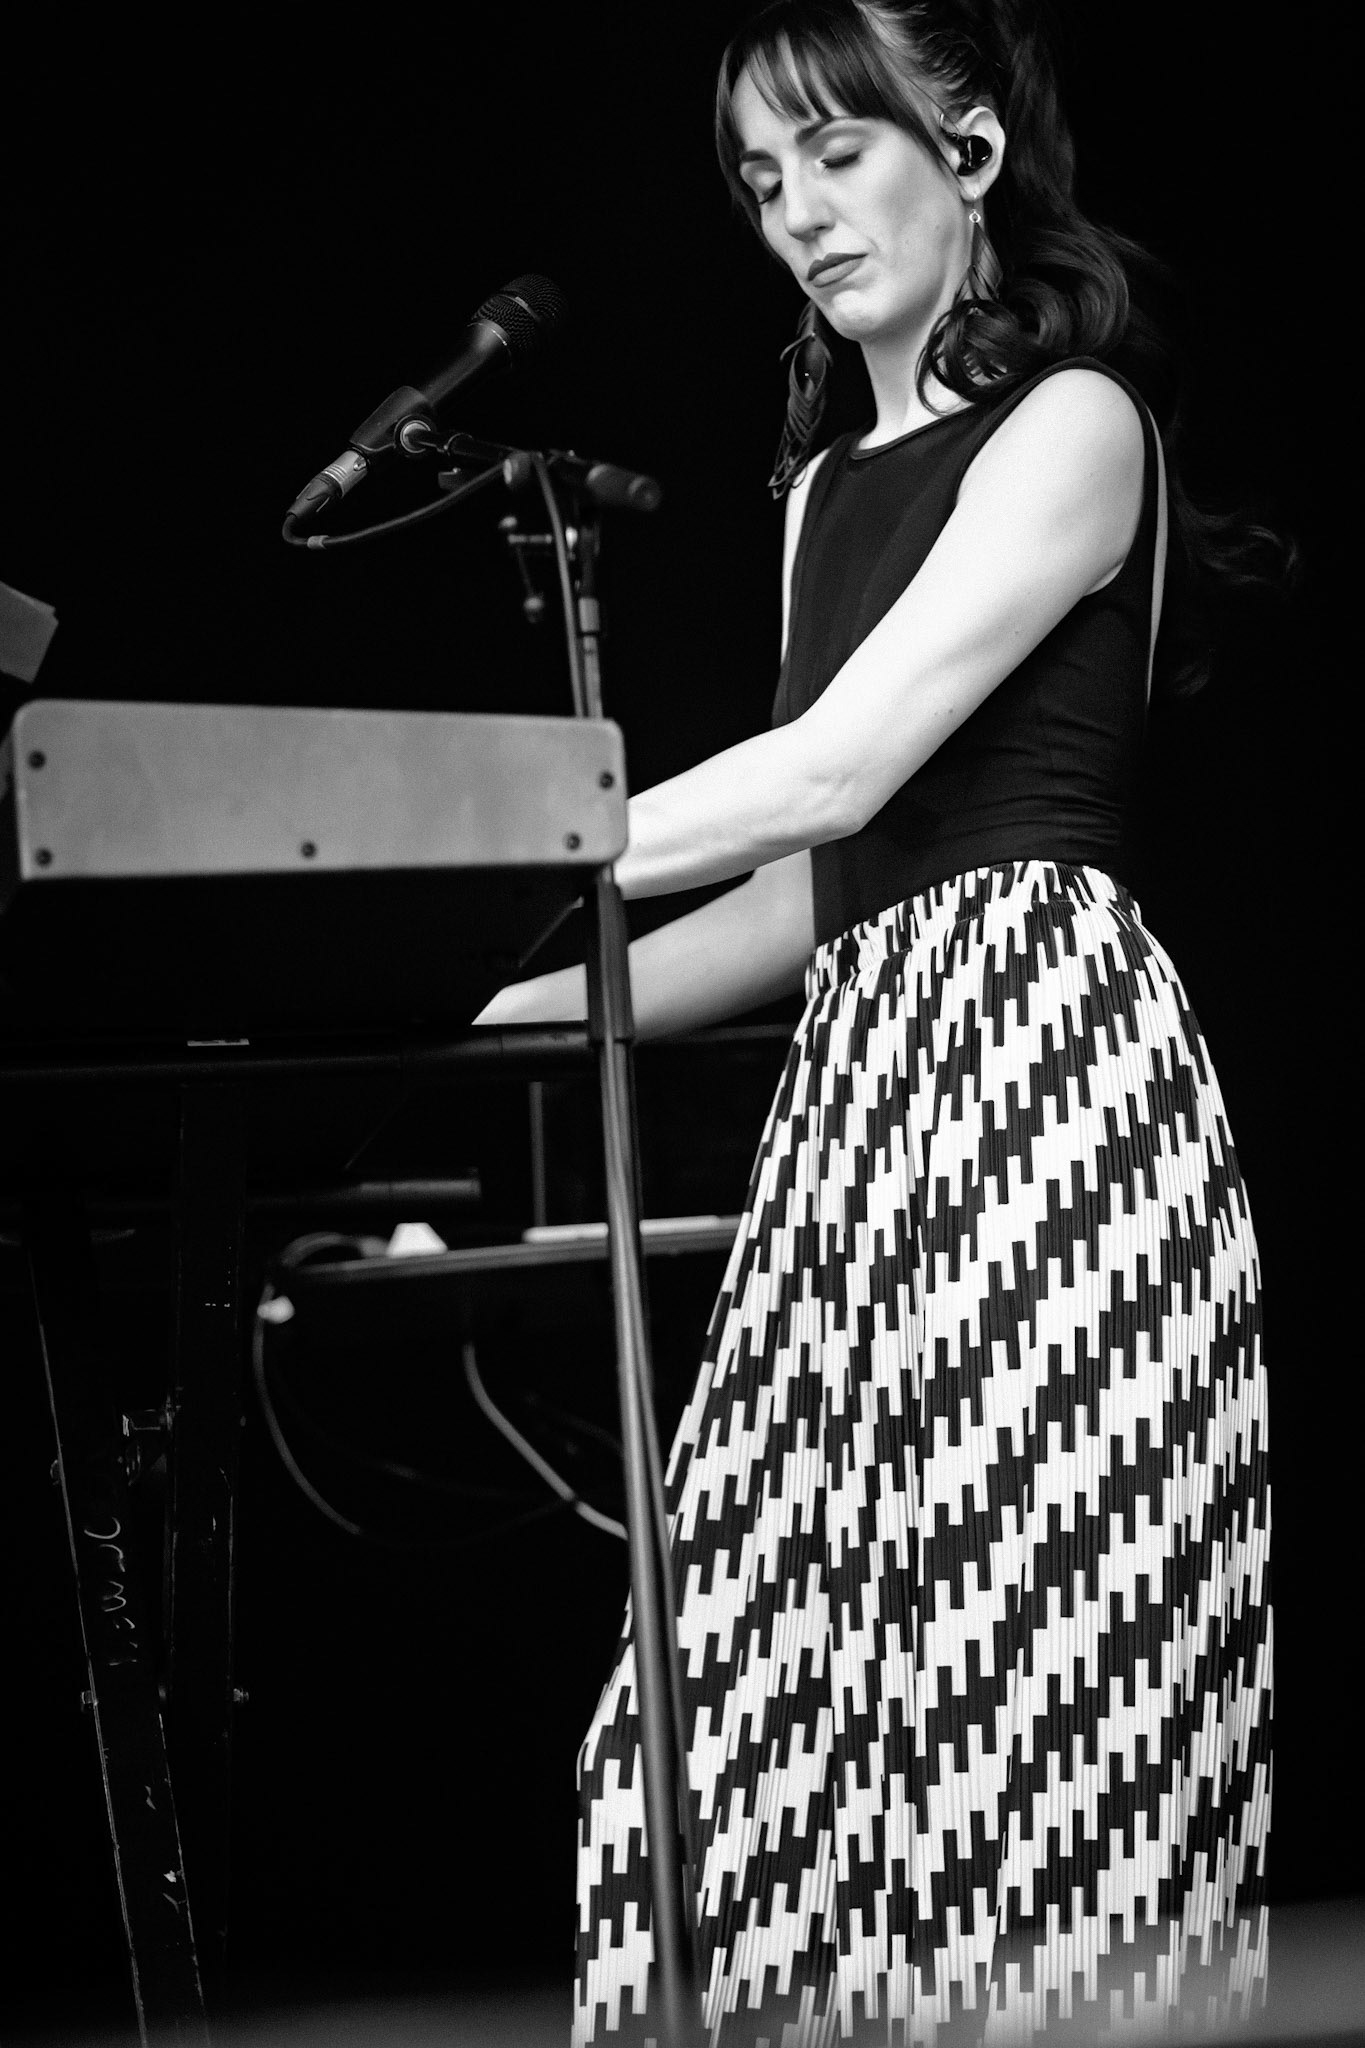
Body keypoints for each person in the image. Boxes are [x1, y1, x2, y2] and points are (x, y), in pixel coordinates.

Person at [480, 1, 1274, 2039]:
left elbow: (832, 773)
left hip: (1039, 1081)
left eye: (836, 151)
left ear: (972, 148)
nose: (798, 214)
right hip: (861, 1116)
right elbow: (801, 889)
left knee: (1029, 1769)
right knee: (716, 1771)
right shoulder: (821, 480)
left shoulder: (1078, 422)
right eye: (759, 179)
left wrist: (469, 838)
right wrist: (490, 997)